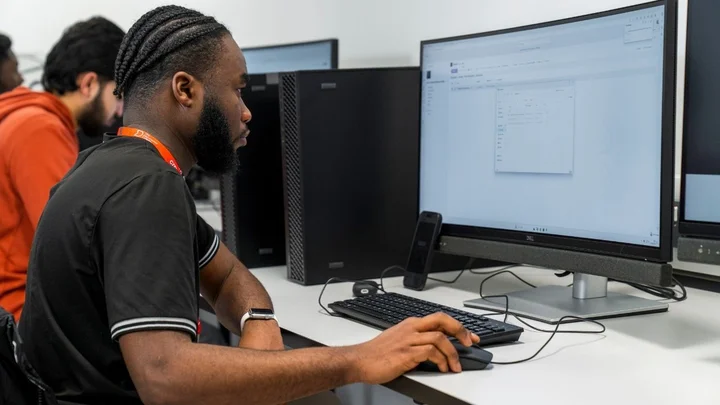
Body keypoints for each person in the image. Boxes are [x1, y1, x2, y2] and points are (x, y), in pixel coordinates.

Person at [19, 5, 480, 405]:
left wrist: (257, 320)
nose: (247, 110)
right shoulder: (145, 188)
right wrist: (358, 359)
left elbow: (228, 274)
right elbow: (166, 380)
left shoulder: (114, 165)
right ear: (185, 90)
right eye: (237, 89)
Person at [0, 17, 125, 321]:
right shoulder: (39, 129)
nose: (120, 109)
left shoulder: (23, 115)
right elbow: (74, 246)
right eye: (118, 94)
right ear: (90, 84)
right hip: (22, 316)